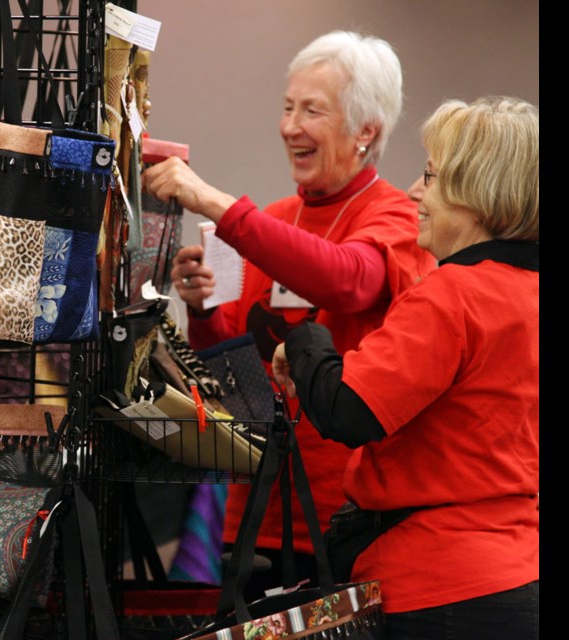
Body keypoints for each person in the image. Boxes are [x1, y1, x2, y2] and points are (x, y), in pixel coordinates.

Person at [141, 30, 436, 595]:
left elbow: (348, 280)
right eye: (287, 107)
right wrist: (203, 310)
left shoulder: (398, 218)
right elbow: (226, 373)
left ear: (365, 131)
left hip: (338, 514)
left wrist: (214, 202)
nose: (290, 126)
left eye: (312, 111)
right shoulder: (271, 221)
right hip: (253, 513)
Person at [272, 95, 539, 638]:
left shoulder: (454, 294)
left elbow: (348, 411)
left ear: (478, 197)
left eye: (431, 178)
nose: (415, 193)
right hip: (517, 574)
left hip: (435, 587)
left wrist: (306, 340)